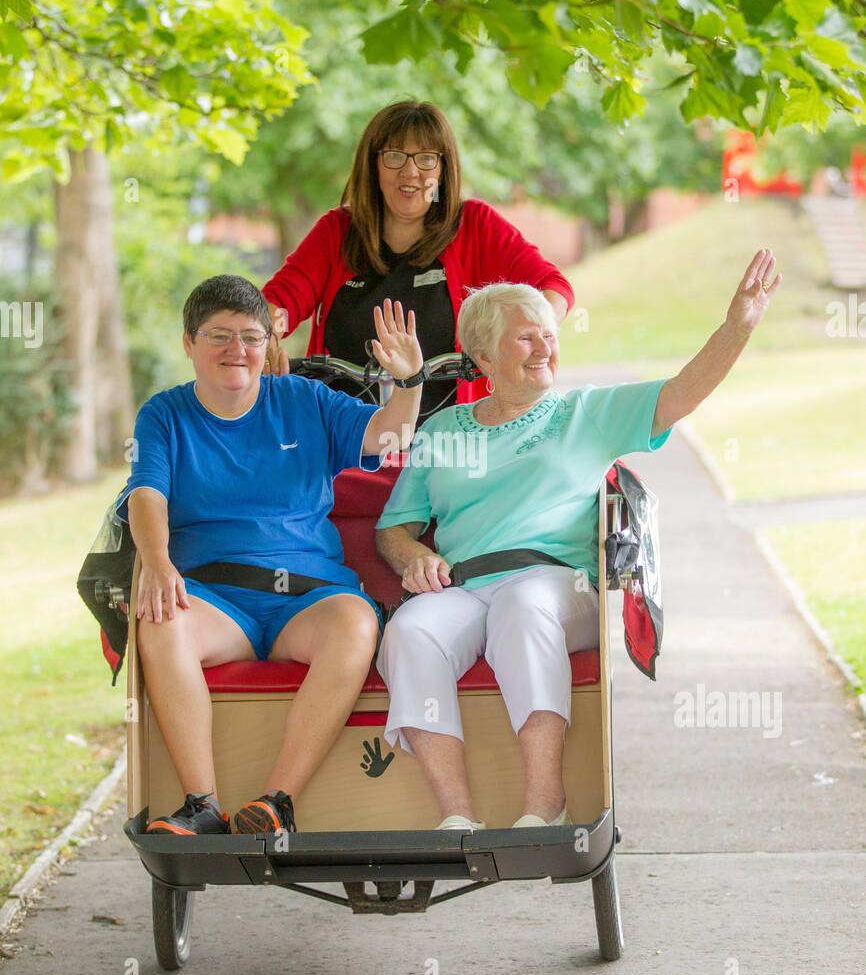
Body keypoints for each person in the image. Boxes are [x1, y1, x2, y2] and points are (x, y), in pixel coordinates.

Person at [375, 251, 781, 830]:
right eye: (524, 338)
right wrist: (415, 556)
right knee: (410, 630)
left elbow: (682, 392)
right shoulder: (443, 430)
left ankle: (544, 807)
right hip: (465, 588)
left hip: (560, 585)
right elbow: (395, 526)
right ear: (483, 354)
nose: (544, 347)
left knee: (522, 605)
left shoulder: (583, 412)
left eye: (549, 334)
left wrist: (736, 326)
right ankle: (456, 818)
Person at [119, 274, 424, 837]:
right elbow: (147, 494)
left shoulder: (303, 400)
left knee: (357, 624)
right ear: (189, 342)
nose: (237, 349)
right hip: (214, 598)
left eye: (252, 336)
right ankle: (202, 805)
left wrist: (407, 381)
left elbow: (390, 436)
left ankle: (275, 802)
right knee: (160, 622)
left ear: (269, 345)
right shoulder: (163, 415)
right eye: (219, 335)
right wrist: (158, 563)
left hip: (307, 598)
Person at [261, 99, 576, 419]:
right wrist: (265, 335)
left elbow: (553, 287)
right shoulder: (337, 231)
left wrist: (532, 333)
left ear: (442, 168)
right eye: (394, 156)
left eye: (426, 158)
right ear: (373, 165)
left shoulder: (475, 226)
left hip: (450, 442)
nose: (410, 171)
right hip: (346, 439)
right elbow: (280, 302)